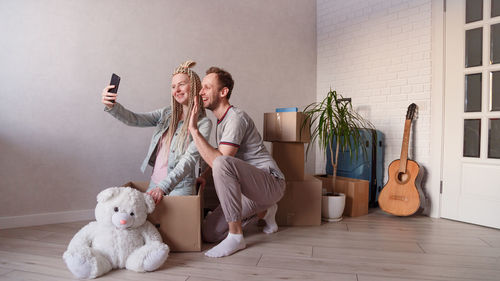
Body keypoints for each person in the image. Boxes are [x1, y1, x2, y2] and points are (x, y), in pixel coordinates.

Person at [188, 66, 286, 258]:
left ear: (223, 92)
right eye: (201, 88)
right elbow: (218, 156)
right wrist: (203, 177)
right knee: (210, 233)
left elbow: (222, 161)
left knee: (222, 162)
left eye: (207, 87)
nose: (200, 92)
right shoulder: (220, 121)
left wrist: (194, 130)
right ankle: (265, 212)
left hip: (271, 182)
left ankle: (235, 236)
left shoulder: (235, 118)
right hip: (250, 190)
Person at [101, 60, 212, 204]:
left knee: (177, 227)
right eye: (173, 86)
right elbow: (134, 119)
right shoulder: (166, 114)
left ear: (195, 86)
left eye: (181, 84)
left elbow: (189, 159)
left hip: (180, 188)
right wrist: (112, 106)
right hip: (155, 183)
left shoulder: (203, 124)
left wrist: (163, 187)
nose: (176, 90)